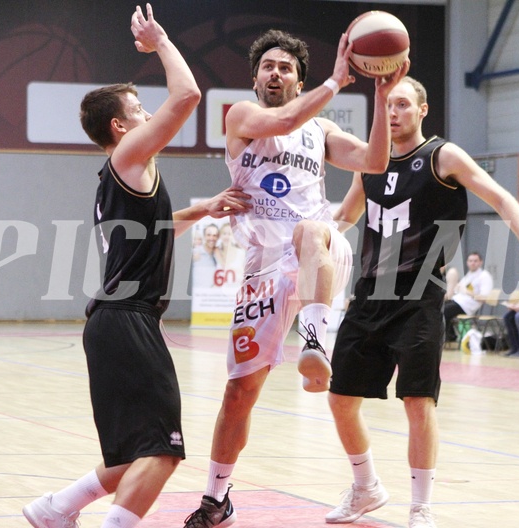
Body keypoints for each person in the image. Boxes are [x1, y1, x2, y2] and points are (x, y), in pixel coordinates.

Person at [22, 6, 250, 528]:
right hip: (127, 320)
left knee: (133, 453)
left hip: (113, 321)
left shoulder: (118, 176)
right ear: (120, 127)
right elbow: (189, 95)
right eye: (140, 108)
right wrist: (162, 42)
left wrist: (204, 208)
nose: (151, 115)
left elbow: (158, 228)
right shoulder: (128, 156)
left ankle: (54, 510)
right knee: (164, 451)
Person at [182, 29, 409, 528]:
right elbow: (284, 118)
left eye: (286, 67)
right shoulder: (242, 117)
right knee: (238, 393)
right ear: (256, 76)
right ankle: (216, 501)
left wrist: (380, 93)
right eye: (268, 66)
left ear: (298, 78)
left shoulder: (321, 129)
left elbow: (374, 161)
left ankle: (314, 342)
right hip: (263, 265)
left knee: (311, 228)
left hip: (318, 253)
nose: (276, 72)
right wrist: (336, 79)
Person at [327, 76, 519, 528]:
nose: (393, 113)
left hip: (419, 297)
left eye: (403, 104)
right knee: (340, 399)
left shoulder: (442, 156)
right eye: (388, 104)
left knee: (417, 400)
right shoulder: (369, 161)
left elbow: (502, 198)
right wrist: (310, 238)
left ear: (422, 110)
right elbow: (345, 217)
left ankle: (421, 506)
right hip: (369, 294)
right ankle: (366, 487)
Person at [443, 252, 494, 341]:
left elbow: (484, 298)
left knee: (444, 311)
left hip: (466, 306)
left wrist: (468, 292)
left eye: (475, 261)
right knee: (438, 308)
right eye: (470, 261)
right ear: (467, 262)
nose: (472, 263)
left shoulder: (484, 276)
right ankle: (449, 335)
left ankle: (450, 336)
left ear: (480, 262)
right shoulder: (469, 275)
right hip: (457, 301)